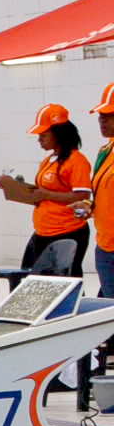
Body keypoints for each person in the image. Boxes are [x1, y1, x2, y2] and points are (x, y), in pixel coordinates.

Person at [0, 104, 92, 279]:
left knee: (64, 282)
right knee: (34, 279)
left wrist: (47, 195)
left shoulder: (76, 161)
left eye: (43, 135)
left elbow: (82, 197)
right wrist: (13, 187)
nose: (39, 139)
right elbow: (40, 195)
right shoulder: (49, 160)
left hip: (67, 232)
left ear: (58, 134)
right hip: (43, 231)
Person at [85, 85, 114, 298]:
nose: (102, 121)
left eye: (109, 116)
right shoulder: (105, 152)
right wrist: (89, 206)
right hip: (105, 245)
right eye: (101, 116)